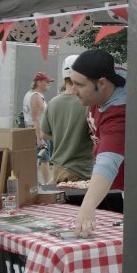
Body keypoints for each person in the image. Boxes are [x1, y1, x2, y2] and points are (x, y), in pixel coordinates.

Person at [69, 49, 126, 237]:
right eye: (71, 82)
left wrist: (87, 208)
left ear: (102, 83)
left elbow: (108, 163)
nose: (72, 90)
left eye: (79, 84)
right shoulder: (102, 90)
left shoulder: (120, 112)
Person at [40, 55, 93, 184]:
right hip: (81, 171)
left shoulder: (53, 103)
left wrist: (62, 137)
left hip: (58, 170)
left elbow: (44, 134)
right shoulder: (88, 103)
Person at [23, 72, 52, 183]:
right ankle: (46, 184)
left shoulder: (29, 94)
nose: (49, 84)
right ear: (39, 82)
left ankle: (31, 182)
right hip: (38, 132)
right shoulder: (36, 97)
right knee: (44, 159)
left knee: (36, 160)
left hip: (30, 131)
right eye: (47, 81)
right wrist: (40, 138)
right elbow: (36, 118)